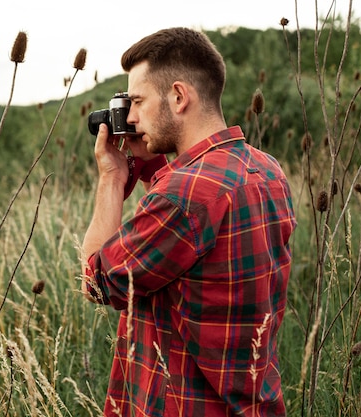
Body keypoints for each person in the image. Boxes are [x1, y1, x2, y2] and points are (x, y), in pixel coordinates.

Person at [80, 27, 296, 416]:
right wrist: (153, 167)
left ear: (179, 97)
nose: (130, 116)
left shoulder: (182, 198)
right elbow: (191, 237)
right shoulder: (268, 171)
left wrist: (113, 179)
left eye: (139, 101)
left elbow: (96, 281)